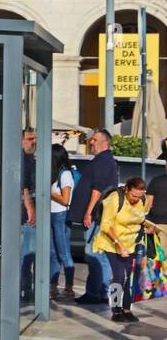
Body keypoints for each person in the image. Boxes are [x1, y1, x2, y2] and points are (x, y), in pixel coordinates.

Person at [93, 176, 158, 322]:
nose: (136, 199)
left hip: (131, 243)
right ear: (127, 189)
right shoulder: (115, 199)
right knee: (119, 277)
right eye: (133, 195)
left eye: (139, 196)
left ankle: (127, 309)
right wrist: (119, 244)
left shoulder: (142, 200)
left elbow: (141, 219)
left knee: (130, 277)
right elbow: (105, 225)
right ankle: (116, 310)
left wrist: (150, 227)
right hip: (112, 242)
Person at [70, 128, 118, 305]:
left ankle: (97, 293)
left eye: (95, 140)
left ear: (105, 143)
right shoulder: (102, 160)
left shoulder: (104, 161)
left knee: (94, 254)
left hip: (97, 217)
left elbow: (97, 189)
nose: (91, 142)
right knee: (98, 256)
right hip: (98, 217)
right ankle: (98, 292)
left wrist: (88, 212)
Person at [48, 143, 76, 300]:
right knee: (53, 253)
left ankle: (69, 287)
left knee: (63, 253)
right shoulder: (55, 174)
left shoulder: (65, 175)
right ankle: (53, 286)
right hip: (51, 214)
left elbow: (65, 200)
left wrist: (49, 193)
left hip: (61, 216)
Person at [20, 129, 37, 301]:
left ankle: (26, 288)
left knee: (28, 253)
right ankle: (23, 288)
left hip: (26, 214)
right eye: (30, 139)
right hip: (24, 214)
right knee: (25, 253)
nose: (33, 142)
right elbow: (24, 186)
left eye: (35, 139)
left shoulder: (31, 158)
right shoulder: (23, 159)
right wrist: (29, 207)